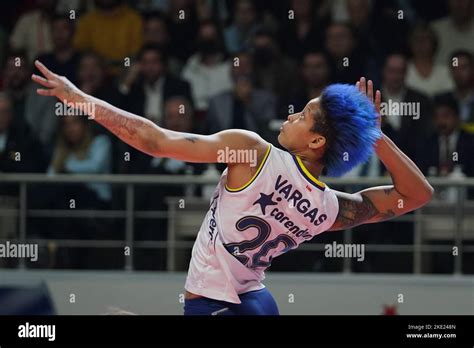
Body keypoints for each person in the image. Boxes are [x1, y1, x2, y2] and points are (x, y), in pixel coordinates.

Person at [32, 61, 434, 315]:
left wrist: (81, 99)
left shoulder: (252, 153)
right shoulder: (330, 209)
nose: (292, 114)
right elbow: (418, 195)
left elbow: (153, 141)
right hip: (257, 302)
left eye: (304, 114)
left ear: (316, 142)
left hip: (216, 305)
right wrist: (375, 135)